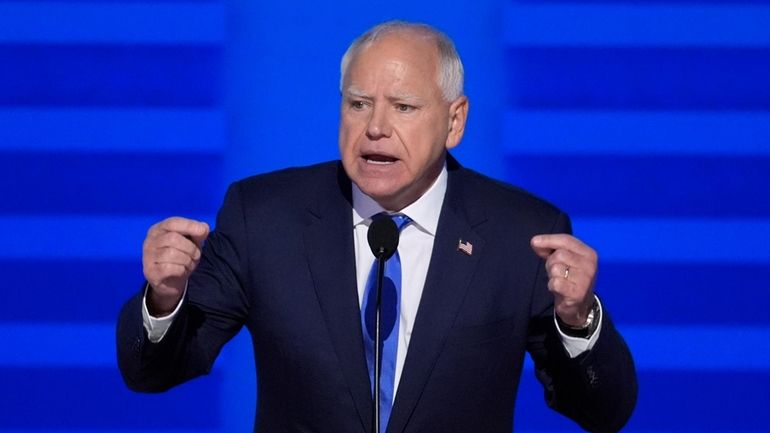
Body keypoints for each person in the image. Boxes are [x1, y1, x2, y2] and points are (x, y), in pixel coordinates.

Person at [117, 20, 636, 433]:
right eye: (358, 103)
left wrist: (579, 321)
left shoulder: (521, 232)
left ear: (455, 121)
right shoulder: (264, 216)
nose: (376, 128)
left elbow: (602, 412)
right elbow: (152, 371)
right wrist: (163, 301)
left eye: (404, 107)